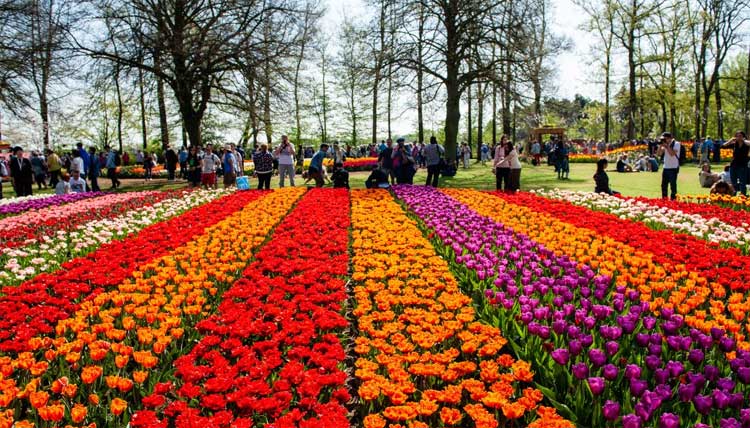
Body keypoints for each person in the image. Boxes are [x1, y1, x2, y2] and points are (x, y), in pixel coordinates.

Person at [723, 130, 750, 196]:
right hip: (733, 165)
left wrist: (743, 140)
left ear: (743, 136)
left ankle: (743, 196)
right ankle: (734, 195)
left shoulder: (746, 144)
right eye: (737, 136)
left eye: (740, 136)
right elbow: (723, 146)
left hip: (742, 165)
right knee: (733, 182)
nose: (738, 137)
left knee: (742, 182)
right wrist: (731, 140)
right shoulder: (734, 144)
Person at [657, 132, 681, 200]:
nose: (664, 140)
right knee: (664, 185)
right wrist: (660, 145)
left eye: (665, 139)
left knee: (673, 185)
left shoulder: (676, 144)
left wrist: (667, 146)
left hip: (673, 167)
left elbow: (672, 154)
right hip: (666, 167)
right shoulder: (665, 144)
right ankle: (664, 199)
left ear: (669, 138)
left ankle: (673, 200)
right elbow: (659, 154)